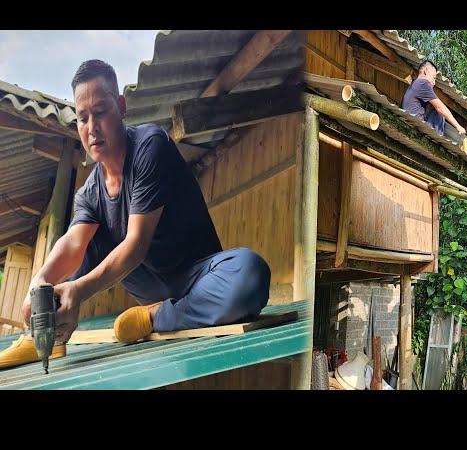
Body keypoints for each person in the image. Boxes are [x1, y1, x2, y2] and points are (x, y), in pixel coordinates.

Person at [0, 59, 270, 369]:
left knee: (251, 272)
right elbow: (73, 243)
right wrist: (40, 284)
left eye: (100, 112)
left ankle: (156, 317)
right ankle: (46, 336)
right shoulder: (89, 192)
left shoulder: (149, 146)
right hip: (149, 284)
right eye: (82, 118)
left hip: (198, 279)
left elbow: (137, 243)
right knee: (86, 238)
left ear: (121, 106)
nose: (91, 128)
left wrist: (80, 290)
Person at [401, 59, 467, 137]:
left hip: (410, 122)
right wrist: (458, 126)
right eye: (434, 77)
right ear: (426, 71)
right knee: (440, 113)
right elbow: (440, 108)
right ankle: (436, 137)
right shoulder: (423, 83)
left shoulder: (415, 84)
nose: (434, 83)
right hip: (415, 126)